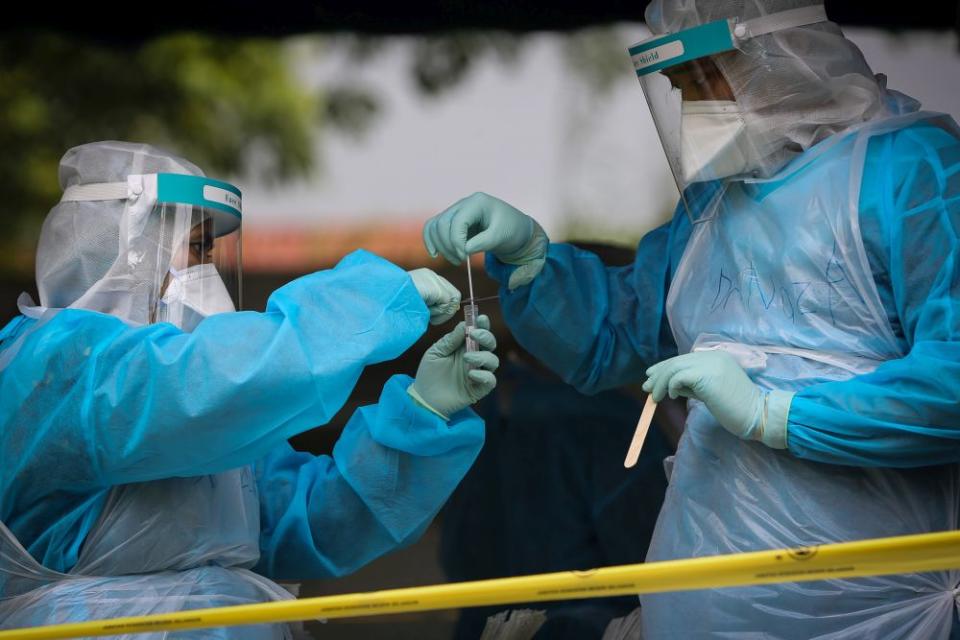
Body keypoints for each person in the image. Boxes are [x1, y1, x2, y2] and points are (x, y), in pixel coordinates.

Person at [422, 0, 960, 637]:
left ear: (778, 57)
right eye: (679, 90)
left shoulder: (913, 175)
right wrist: (530, 259)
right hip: (699, 598)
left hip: (868, 610)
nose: (694, 112)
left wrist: (777, 416)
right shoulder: (715, 204)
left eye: (704, 81)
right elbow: (617, 333)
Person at [0, 140, 499, 638]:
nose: (208, 275)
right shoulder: (58, 365)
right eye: (198, 250)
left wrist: (422, 413)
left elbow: (309, 523)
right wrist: (373, 302)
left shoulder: (212, 429)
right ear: (132, 254)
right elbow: (202, 387)